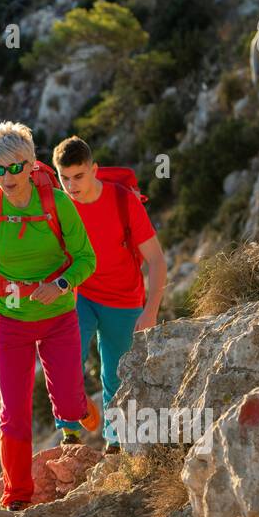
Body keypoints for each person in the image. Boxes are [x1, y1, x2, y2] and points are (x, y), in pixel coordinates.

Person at [0, 121, 97, 510]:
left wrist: (59, 285)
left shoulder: (57, 203)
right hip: (9, 323)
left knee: (69, 403)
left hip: (59, 316)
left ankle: (83, 411)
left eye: (15, 167)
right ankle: (17, 495)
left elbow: (86, 259)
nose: (7, 177)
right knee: (14, 411)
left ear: (31, 165)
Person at [52, 135, 167, 452]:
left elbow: (156, 260)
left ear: (94, 170)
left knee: (116, 375)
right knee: (64, 358)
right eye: (64, 178)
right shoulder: (60, 205)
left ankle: (116, 444)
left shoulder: (121, 200)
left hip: (124, 299)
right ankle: (70, 432)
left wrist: (151, 310)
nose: (72, 185)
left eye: (79, 176)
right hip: (81, 293)